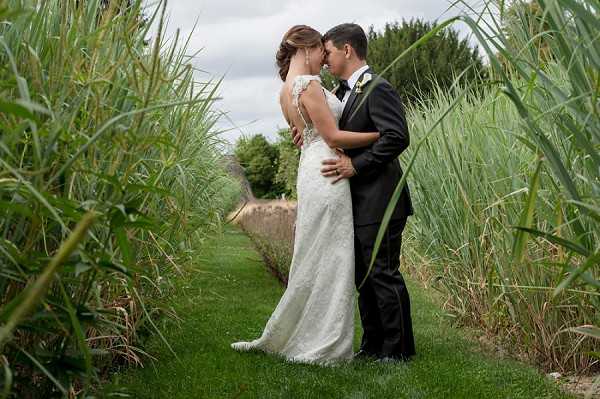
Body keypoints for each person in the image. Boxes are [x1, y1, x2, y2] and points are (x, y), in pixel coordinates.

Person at [231, 24, 380, 365]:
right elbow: (334, 136)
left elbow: (304, 134)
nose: (324, 61)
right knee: (333, 257)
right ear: (306, 49)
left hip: (310, 171)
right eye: (321, 53)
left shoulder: (285, 92)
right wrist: (377, 135)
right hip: (328, 172)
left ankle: (307, 331)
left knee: (316, 254)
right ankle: (325, 341)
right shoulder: (309, 85)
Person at [293, 23, 416, 362]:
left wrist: (356, 166)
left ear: (346, 50)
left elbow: (396, 137)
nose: (324, 58)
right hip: (356, 201)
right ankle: (372, 344)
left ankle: (398, 349)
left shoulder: (378, 88)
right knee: (363, 275)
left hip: (382, 198)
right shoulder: (341, 91)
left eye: (328, 52)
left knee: (383, 273)